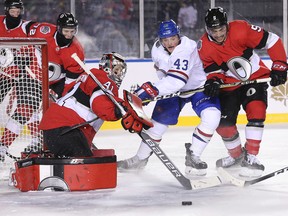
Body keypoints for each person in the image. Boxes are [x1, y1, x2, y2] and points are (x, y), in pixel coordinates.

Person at [118, 20, 221, 176]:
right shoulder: (157, 49)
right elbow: (162, 73)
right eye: (165, 40)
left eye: (173, 38)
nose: (169, 43)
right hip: (173, 90)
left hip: (197, 88)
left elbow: (177, 81)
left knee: (212, 117)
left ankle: (194, 155)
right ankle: (140, 158)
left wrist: (151, 90)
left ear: (178, 35)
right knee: (156, 126)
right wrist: (157, 90)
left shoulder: (187, 49)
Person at [198, 7, 287, 177]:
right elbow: (212, 70)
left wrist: (279, 65)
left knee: (256, 110)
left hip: (254, 77)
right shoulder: (203, 46)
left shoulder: (241, 29)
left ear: (227, 26)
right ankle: (237, 157)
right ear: (206, 29)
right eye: (213, 30)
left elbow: (273, 40)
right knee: (223, 125)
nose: (217, 34)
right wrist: (213, 80)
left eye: (221, 29)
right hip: (229, 84)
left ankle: (252, 158)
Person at [39, 52, 150, 158]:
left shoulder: (87, 77)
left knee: (81, 167)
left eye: (120, 72)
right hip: (67, 130)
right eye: (116, 71)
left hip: (54, 130)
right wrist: (119, 112)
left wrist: (124, 107)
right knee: (86, 169)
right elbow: (101, 105)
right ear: (107, 68)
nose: (118, 75)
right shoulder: (103, 79)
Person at [0, 0, 39, 162]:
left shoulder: (27, 27)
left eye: (18, 10)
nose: (16, 13)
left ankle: (35, 140)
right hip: (4, 73)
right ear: (7, 9)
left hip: (28, 71)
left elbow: (47, 34)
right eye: (13, 10)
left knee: (27, 108)